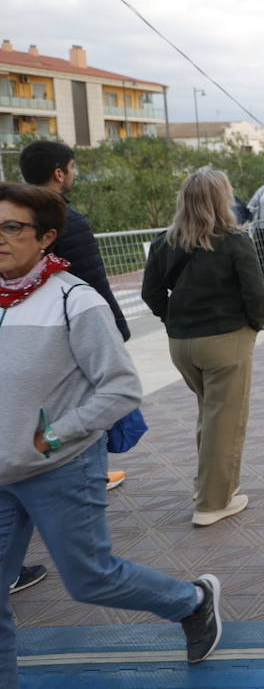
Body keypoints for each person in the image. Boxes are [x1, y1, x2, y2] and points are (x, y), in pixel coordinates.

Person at [0, 182, 223, 681]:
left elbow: (121, 390)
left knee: (89, 579)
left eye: (12, 227)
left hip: (60, 467)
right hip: (1, 475)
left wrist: (54, 435)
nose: (0, 237)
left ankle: (192, 601)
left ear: (46, 237)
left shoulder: (75, 302)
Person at [142, 168, 264, 527]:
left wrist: (172, 320)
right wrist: (255, 326)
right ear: (220, 199)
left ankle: (209, 488)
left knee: (210, 415)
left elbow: (150, 293)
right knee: (225, 421)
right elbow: (255, 291)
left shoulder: (164, 242)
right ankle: (213, 502)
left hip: (182, 344)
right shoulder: (233, 240)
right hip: (225, 339)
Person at [19, 141, 130, 496]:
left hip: (20, 332)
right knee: (81, 408)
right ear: (58, 173)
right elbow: (93, 282)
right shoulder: (67, 220)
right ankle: (86, 476)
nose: (74, 174)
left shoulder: (12, 220)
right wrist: (117, 331)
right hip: (67, 334)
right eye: (73, 167)